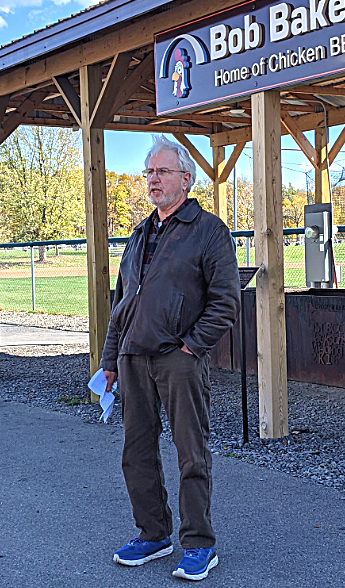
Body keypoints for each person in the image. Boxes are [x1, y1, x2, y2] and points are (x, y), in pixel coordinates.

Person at [100, 135, 240, 581]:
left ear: (186, 178)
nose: (152, 180)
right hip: (131, 357)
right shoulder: (140, 234)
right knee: (136, 452)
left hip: (178, 360)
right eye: (148, 173)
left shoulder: (209, 231)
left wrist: (190, 348)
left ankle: (198, 544)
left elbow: (225, 302)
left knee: (190, 454)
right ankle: (153, 534)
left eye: (161, 172)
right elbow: (122, 300)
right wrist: (109, 358)